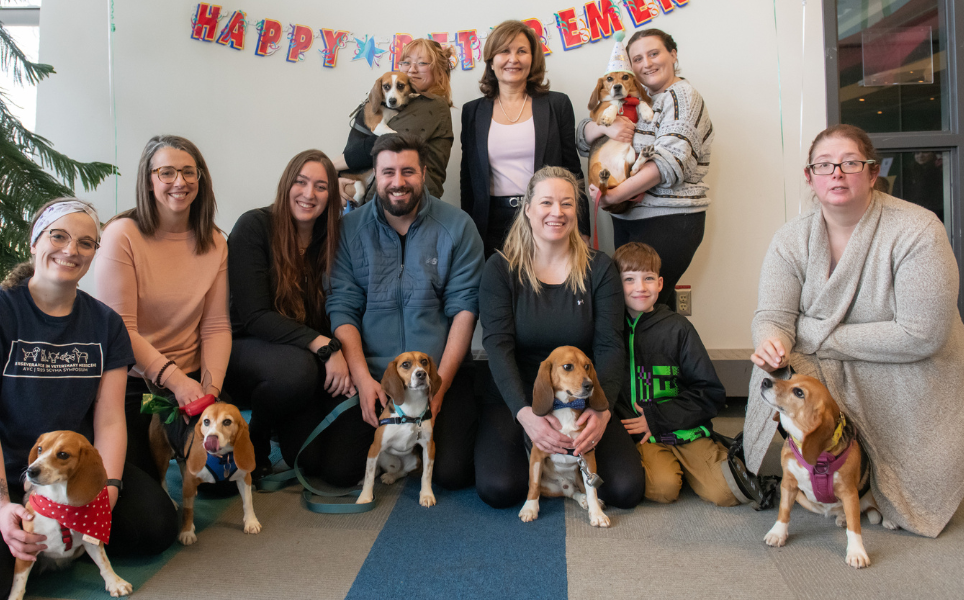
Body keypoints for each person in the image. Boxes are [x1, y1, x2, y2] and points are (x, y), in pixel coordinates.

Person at [0, 199, 178, 599]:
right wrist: (1, 509)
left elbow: (109, 421)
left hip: (70, 470)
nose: (71, 250)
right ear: (35, 241)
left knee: (155, 528)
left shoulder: (105, 323)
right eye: (59, 236)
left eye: (86, 243)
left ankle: (55, 541)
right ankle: (30, 540)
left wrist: (108, 490)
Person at [744, 124, 964, 537]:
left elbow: (923, 334)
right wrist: (772, 339)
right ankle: (813, 472)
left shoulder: (918, 229)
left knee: (922, 492)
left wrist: (813, 333)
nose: (837, 174)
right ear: (809, 177)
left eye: (850, 163)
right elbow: (772, 314)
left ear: (872, 172)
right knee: (780, 367)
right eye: (824, 165)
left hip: (908, 367)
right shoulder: (790, 239)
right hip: (831, 364)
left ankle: (879, 483)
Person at [475, 166, 643, 509]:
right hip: (519, 395)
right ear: (527, 208)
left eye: (567, 204)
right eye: (547, 202)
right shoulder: (500, 268)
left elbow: (609, 345)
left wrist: (602, 412)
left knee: (625, 490)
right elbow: (497, 345)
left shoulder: (600, 269)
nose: (557, 212)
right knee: (501, 489)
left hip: (584, 396)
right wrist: (526, 415)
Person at [325, 133, 484, 489]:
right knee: (339, 472)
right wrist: (364, 379)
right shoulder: (348, 231)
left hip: (438, 373)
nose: (398, 182)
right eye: (388, 173)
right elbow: (342, 308)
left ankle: (410, 456)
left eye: (408, 171)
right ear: (374, 177)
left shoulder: (458, 227)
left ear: (424, 173)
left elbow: (464, 310)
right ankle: (401, 454)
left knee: (453, 474)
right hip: (376, 375)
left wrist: (439, 388)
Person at [94, 135, 231, 482]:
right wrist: (178, 383)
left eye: (188, 172)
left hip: (195, 382)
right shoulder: (121, 234)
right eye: (166, 172)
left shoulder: (214, 241)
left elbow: (215, 326)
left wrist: (209, 392)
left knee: (218, 484)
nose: (180, 182)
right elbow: (122, 329)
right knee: (143, 502)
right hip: (134, 382)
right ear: (148, 179)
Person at [225, 149, 355, 482]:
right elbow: (254, 315)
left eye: (321, 186)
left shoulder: (332, 238)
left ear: (332, 195)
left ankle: (280, 424)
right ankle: (256, 434)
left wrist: (346, 359)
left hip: (304, 359)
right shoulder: (254, 226)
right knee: (294, 370)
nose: (309, 194)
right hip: (247, 349)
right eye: (301, 182)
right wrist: (325, 347)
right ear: (286, 185)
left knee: (314, 464)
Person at [613, 242, 760, 507]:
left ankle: (716, 455)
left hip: (686, 428)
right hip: (647, 437)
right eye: (629, 279)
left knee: (725, 494)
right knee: (662, 490)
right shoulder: (611, 331)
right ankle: (678, 469)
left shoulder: (679, 328)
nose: (640, 287)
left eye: (648, 278)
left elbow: (710, 393)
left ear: (659, 284)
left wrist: (658, 417)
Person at [577, 29, 713, 310]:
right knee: (636, 308)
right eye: (637, 59)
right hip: (630, 218)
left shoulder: (680, 96)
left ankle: (658, 355)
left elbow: (669, 162)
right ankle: (640, 355)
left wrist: (614, 197)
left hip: (667, 219)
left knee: (642, 307)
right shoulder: (638, 102)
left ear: (673, 55)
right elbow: (582, 140)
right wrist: (603, 126)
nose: (646, 64)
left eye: (654, 53)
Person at [461, 20, 589, 258]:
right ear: (491, 60)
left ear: (533, 58)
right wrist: (468, 229)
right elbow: (468, 178)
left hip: (548, 216)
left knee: (547, 291)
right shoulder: (472, 111)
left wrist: (582, 228)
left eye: (522, 51)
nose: (513, 59)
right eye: (504, 51)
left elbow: (573, 171)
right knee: (499, 291)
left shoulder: (557, 104)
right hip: (490, 221)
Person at [335, 38, 455, 202]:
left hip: (410, 205)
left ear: (439, 70)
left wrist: (328, 168)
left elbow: (383, 143)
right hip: (382, 202)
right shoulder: (403, 103)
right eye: (406, 62)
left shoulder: (433, 104)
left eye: (422, 63)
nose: (411, 70)